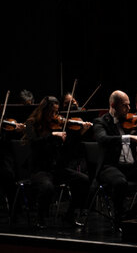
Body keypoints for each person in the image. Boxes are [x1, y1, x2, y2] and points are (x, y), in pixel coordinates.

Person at [24, 96, 91, 228]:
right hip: (39, 170)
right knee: (47, 187)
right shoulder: (31, 124)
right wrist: (53, 135)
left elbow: (68, 148)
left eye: (57, 112)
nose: (55, 115)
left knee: (83, 180)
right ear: (44, 110)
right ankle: (40, 218)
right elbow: (34, 144)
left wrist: (80, 133)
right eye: (52, 112)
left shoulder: (57, 125)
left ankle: (69, 216)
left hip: (56, 169)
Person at [92, 90, 137, 222]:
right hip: (109, 167)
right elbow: (102, 139)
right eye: (125, 105)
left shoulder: (129, 122)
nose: (129, 108)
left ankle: (136, 212)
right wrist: (128, 138)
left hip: (130, 167)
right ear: (113, 105)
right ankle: (119, 216)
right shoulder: (100, 122)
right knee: (120, 182)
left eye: (129, 105)